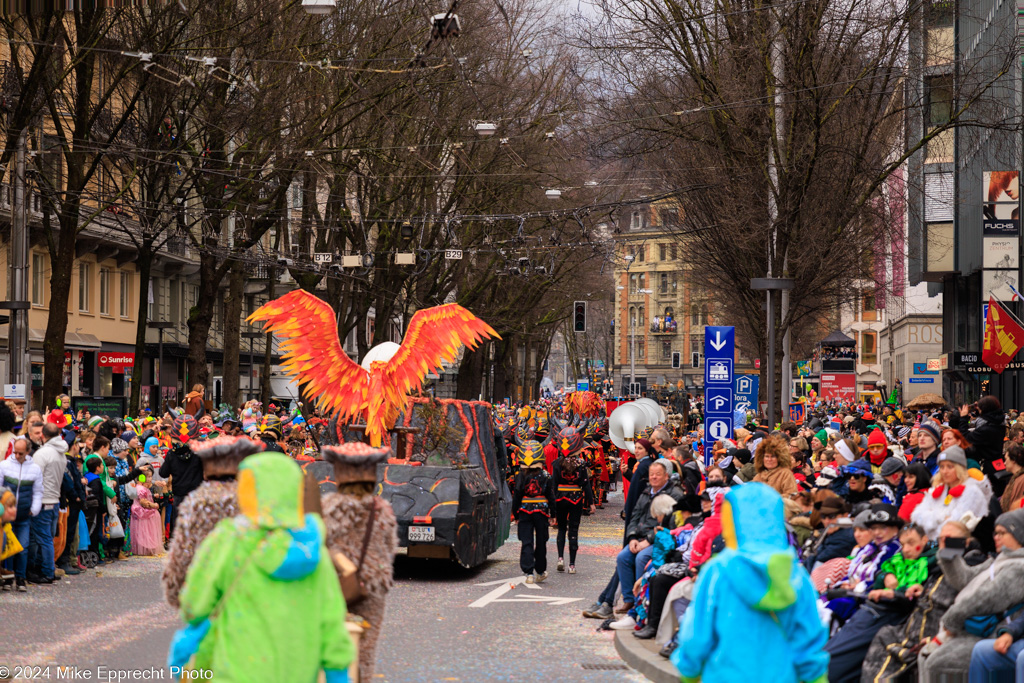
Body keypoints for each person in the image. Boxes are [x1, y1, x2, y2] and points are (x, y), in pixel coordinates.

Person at [168, 452, 355, 682]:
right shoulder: (313, 549)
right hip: (297, 672)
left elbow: (194, 605)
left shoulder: (229, 540)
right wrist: (338, 673)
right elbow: (332, 622)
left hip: (234, 671)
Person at [671, 483, 829, 683]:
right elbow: (809, 640)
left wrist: (689, 672)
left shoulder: (718, 571)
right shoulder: (795, 575)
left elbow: (697, 635)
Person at [321, 442, 399, 682]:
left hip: (331, 588)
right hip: (371, 590)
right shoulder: (382, 509)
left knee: (330, 647)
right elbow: (389, 548)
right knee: (364, 648)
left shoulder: (327, 508)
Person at [920, 508, 1024, 681]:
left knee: (937, 662)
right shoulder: (1001, 559)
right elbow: (964, 579)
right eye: (995, 532)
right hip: (972, 628)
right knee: (925, 654)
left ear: (1019, 535)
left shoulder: (1019, 568)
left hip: (990, 632)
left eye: (1002, 533)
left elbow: (984, 599)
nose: (996, 537)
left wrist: (951, 621)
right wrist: (949, 550)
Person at [163, 436, 263, 608]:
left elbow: (182, 549)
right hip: (242, 585)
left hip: (206, 586)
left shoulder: (195, 502)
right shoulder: (248, 499)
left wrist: (176, 591)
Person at [912, 445, 991, 540]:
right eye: (942, 467)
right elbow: (916, 516)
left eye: (950, 467)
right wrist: (940, 517)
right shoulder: (939, 489)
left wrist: (930, 519)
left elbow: (954, 525)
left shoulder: (971, 491)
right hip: (933, 542)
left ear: (959, 468)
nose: (945, 471)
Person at [27, 422, 68, 583]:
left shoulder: (42, 454)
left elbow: (34, 477)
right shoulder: (61, 453)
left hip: (42, 500)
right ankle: (44, 569)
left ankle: (46, 572)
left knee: (42, 538)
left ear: (43, 435)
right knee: (47, 537)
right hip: (55, 499)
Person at [0, 437, 42, 591]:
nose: (17, 456)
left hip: (24, 513)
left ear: (28, 452)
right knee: (7, 547)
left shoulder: (35, 469)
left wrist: (35, 508)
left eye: (21, 453)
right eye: (15, 453)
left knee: (23, 547)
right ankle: (9, 577)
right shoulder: (4, 466)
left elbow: (38, 491)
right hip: (7, 515)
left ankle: (21, 577)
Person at [512, 441, 556, 584]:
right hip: (541, 512)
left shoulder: (520, 475)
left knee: (527, 541)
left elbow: (517, 495)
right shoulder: (546, 475)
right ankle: (540, 571)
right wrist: (553, 515)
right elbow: (551, 496)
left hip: (524, 511)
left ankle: (528, 572)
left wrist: (516, 514)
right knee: (541, 541)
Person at [159, 415, 204, 537]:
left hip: (179, 495)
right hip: (196, 495)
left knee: (180, 527)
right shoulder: (198, 453)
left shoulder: (171, 454)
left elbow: (162, 473)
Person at [552, 446, 594, 574]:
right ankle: (572, 565)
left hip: (560, 499)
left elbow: (553, 484)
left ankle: (560, 558)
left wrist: (551, 504)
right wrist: (591, 502)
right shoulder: (581, 464)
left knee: (561, 528)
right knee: (574, 530)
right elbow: (586, 485)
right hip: (576, 499)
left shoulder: (557, 463)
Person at [130, 475, 163, 556]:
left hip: (139, 511)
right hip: (142, 512)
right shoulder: (141, 489)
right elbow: (143, 502)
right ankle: (147, 547)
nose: (150, 479)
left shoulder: (140, 487)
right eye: (148, 477)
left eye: (151, 477)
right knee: (144, 531)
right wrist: (154, 505)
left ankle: (146, 548)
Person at [1000, 443, 1024, 512]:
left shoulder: (1021, 480)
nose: (1004, 463)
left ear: (1013, 460)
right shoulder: (1015, 478)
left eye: (1006, 459)